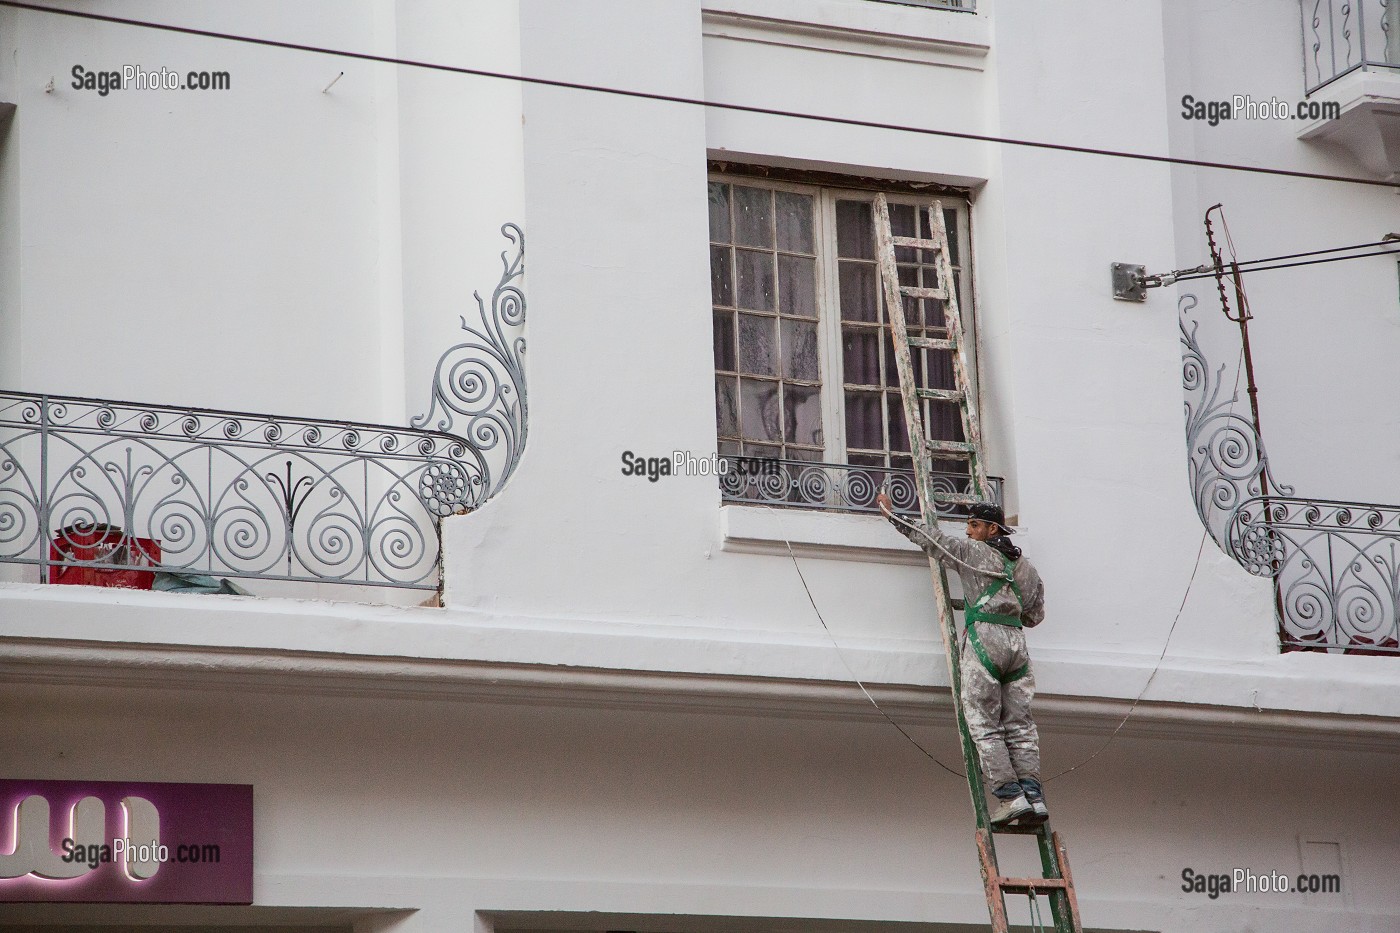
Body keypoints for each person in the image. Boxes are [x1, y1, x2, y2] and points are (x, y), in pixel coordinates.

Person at [876, 492, 1048, 829]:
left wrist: (891, 516)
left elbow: (930, 539)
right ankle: (1034, 796)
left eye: (973, 525)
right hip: (1017, 647)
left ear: (991, 529)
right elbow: (1034, 616)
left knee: (984, 722)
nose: (968, 531)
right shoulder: (1026, 568)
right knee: (1020, 727)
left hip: (986, 640)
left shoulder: (973, 552)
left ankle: (1012, 797)